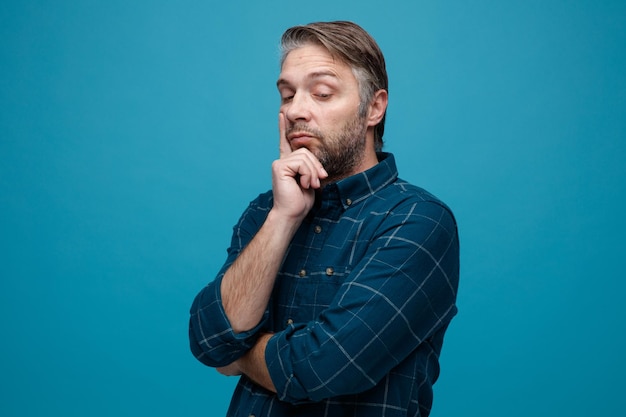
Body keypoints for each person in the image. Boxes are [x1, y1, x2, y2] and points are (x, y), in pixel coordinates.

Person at [189, 21, 460, 417]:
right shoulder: (266, 211)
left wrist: (238, 355)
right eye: (287, 95)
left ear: (374, 107)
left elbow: (323, 367)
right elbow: (208, 340)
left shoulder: (417, 221)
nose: (296, 110)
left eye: (321, 93)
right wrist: (283, 218)